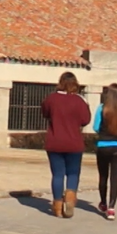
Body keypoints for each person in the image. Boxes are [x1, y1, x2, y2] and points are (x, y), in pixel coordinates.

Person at [41, 71, 91, 218]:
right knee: (73, 173)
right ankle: (70, 196)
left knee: (57, 174)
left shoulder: (51, 98)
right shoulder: (80, 100)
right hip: (74, 142)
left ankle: (57, 206)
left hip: (55, 141)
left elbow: (45, 113)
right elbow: (85, 120)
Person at [92, 83, 117, 220]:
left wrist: (105, 133)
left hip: (103, 145)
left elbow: (95, 127)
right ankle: (111, 208)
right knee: (115, 178)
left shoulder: (102, 108)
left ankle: (103, 202)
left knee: (103, 176)